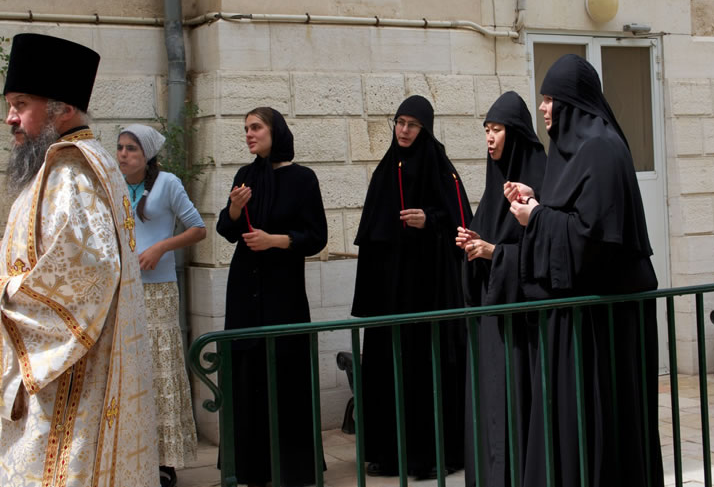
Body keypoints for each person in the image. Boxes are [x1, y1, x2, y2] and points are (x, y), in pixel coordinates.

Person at [0, 33, 158, 486]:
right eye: (10, 105)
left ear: (63, 110)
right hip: (63, 376)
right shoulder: (72, 165)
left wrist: (7, 295)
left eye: (21, 104)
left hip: (70, 385)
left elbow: (88, 277)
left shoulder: (71, 173)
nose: (10, 118)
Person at [506, 54, 663, 487]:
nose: (542, 108)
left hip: (598, 330)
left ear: (570, 103)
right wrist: (538, 199)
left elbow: (593, 241)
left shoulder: (600, 149)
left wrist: (536, 217)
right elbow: (577, 211)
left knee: (594, 432)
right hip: (584, 323)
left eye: (549, 99)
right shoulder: (585, 149)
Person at [352, 95, 472, 479]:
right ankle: (390, 454)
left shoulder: (440, 169)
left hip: (429, 294)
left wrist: (430, 219)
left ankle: (434, 455)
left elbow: (461, 223)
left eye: (412, 124)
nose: (403, 131)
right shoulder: (386, 171)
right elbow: (372, 235)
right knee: (389, 372)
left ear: (425, 128)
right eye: (400, 122)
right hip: (391, 297)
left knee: (426, 372)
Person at [216, 107, 327, 487]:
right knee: (247, 373)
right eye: (246, 128)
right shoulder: (246, 176)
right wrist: (235, 208)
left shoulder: (302, 179)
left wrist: (275, 241)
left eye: (256, 127)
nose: (249, 134)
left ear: (274, 131)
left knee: (285, 373)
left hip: (283, 291)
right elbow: (226, 230)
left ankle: (292, 469)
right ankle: (249, 469)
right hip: (244, 291)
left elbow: (316, 237)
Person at [456, 91, 546, 487]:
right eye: (486, 130)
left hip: (525, 333)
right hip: (493, 325)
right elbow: (493, 240)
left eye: (497, 130)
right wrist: (475, 246)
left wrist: (495, 253)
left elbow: (546, 253)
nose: (489, 138)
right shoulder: (495, 186)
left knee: (519, 409)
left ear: (516, 134)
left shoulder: (540, 179)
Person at [117, 123, 206, 487]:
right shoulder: (112, 184)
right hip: (123, 290)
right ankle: (129, 457)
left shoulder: (168, 183)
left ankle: (165, 462)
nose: (123, 155)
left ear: (148, 154)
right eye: (120, 148)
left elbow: (198, 228)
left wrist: (160, 247)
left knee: (159, 371)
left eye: (132, 149)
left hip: (158, 291)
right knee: (128, 372)